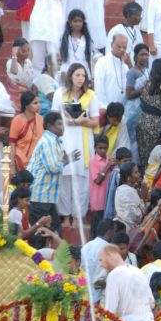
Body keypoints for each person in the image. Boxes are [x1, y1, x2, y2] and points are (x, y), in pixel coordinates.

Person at [50, 63, 100, 225]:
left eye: (83, 75)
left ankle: (78, 216)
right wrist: (72, 121)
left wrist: (81, 122)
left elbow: (95, 121)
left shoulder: (91, 95)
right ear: (70, 76)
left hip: (83, 141)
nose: (80, 78)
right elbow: (53, 118)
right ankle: (65, 216)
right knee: (64, 177)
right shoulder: (60, 93)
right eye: (77, 75)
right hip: (64, 139)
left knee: (82, 179)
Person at [99, 243, 154, 321]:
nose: (101, 265)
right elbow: (152, 303)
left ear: (109, 255)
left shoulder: (114, 275)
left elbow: (110, 310)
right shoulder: (138, 271)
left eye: (101, 260)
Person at [29, 0, 68, 73]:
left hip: (54, 19)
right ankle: (37, 81)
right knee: (37, 58)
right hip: (39, 18)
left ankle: (55, 81)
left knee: (54, 55)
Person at [135, 59, 161, 166]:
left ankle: (144, 174)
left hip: (143, 122)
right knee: (158, 154)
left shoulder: (147, 84)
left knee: (144, 153)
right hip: (160, 126)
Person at [9, 91, 44, 173]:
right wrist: (11, 166)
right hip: (21, 161)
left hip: (38, 162)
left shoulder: (41, 119)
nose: (39, 105)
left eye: (39, 102)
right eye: (35, 103)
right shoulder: (17, 120)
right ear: (26, 105)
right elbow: (12, 144)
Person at [88, 135, 114, 236]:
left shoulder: (110, 159)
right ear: (95, 148)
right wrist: (108, 166)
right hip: (98, 201)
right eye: (100, 148)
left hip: (108, 199)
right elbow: (98, 180)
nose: (103, 151)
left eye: (105, 148)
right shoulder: (93, 161)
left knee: (106, 228)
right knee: (96, 227)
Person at [93, 35, 129, 109]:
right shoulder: (102, 63)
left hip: (122, 109)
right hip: (106, 108)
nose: (122, 49)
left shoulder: (125, 66)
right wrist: (105, 107)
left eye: (124, 47)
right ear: (111, 45)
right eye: (119, 46)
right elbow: (99, 90)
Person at [59, 10, 94, 77]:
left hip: (83, 71)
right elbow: (59, 57)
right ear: (70, 22)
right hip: (66, 71)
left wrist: (91, 76)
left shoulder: (87, 38)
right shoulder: (64, 38)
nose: (78, 24)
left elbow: (90, 58)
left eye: (80, 21)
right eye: (75, 21)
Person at [114, 162, 146, 232]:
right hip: (126, 228)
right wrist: (143, 197)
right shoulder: (126, 191)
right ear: (128, 177)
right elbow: (134, 217)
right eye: (136, 172)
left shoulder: (127, 189)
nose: (139, 174)